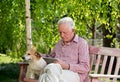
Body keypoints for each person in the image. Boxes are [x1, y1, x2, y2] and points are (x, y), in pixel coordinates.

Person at [24, 17, 90, 82]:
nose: (62, 35)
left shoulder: (81, 43)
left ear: (73, 30)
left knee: (46, 76)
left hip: (74, 74)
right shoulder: (59, 43)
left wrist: (67, 66)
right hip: (55, 71)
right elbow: (51, 56)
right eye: (60, 32)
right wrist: (38, 55)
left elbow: (85, 67)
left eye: (65, 33)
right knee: (51, 70)